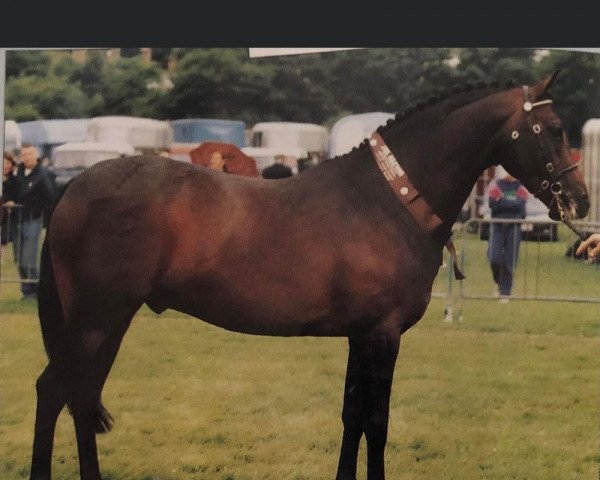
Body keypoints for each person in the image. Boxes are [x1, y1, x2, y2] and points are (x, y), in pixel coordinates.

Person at [11, 144, 57, 300]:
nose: (27, 157)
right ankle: (26, 290)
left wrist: (27, 200)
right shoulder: (18, 173)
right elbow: (14, 191)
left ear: (36, 154)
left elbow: (50, 196)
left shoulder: (44, 174)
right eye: (24, 155)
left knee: (28, 257)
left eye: (29, 154)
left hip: (33, 218)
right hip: (17, 219)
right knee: (18, 258)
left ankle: (36, 290)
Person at [486, 166, 528, 303]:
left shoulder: (521, 187)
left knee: (510, 260)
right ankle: (498, 281)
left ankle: (505, 292)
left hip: (514, 227)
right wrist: (510, 203)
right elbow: (493, 204)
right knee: (494, 258)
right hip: (497, 225)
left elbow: (520, 206)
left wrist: (502, 200)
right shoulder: (496, 185)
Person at [1, 152, 19, 247]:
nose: (6, 166)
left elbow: (19, 196)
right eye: (3, 163)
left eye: (8, 163)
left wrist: (13, 202)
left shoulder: (15, 180)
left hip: (6, 219)